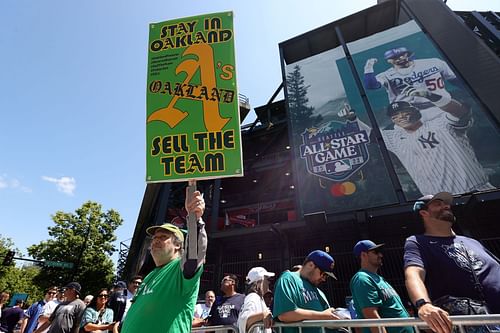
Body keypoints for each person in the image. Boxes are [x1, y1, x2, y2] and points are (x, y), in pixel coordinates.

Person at [337, 100, 494, 195]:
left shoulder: (440, 124)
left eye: (404, 112)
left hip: (477, 191)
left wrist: (434, 96)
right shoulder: (395, 137)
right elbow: (370, 135)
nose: (401, 117)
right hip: (439, 204)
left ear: (415, 111)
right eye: (395, 116)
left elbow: (461, 112)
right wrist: (353, 119)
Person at [404, 191, 500, 333]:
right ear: (424, 213)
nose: (446, 206)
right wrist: (423, 304)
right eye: (438, 204)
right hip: (476, 324)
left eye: (446, 203)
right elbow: (413, 274)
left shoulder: (473, 242)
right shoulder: (417, 242)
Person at [120, 187, 207, 333]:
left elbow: (194, 253)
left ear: (178, 245)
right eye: (154, 238)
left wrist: (194, 218)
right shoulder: (149, 275)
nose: (155, 241)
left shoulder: (180, 269)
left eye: (162, 237)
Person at [363, 47, 457, 113]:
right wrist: (368, 68)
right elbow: (371, 85)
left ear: (407, 54)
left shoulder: (433, 62)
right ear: (388, 60)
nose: (399, 58)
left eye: (402, 55)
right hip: (408, 114)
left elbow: (454, 80)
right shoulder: (386, 75)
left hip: (441, 106)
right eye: (394, 57)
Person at [273, 250, 344, 333]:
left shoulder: (319, 291)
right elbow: (285, 314)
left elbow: (327, 317)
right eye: (324, 274)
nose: (324, 279)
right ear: (311, 265)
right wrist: (322, 316)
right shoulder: (288, 279)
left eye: (327, 276)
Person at [350, 240, 412, 333]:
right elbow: (372, 317)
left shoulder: (379, 278)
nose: (380, 255)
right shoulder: (362, 279)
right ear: (363, 255)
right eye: (376, 252)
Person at [237, 267, 275, 333]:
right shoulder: (253, 297)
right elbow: (244, 320)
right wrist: (263, 315)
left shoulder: (257, 297)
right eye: (267, 279)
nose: (269, 282)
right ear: (260, 281)